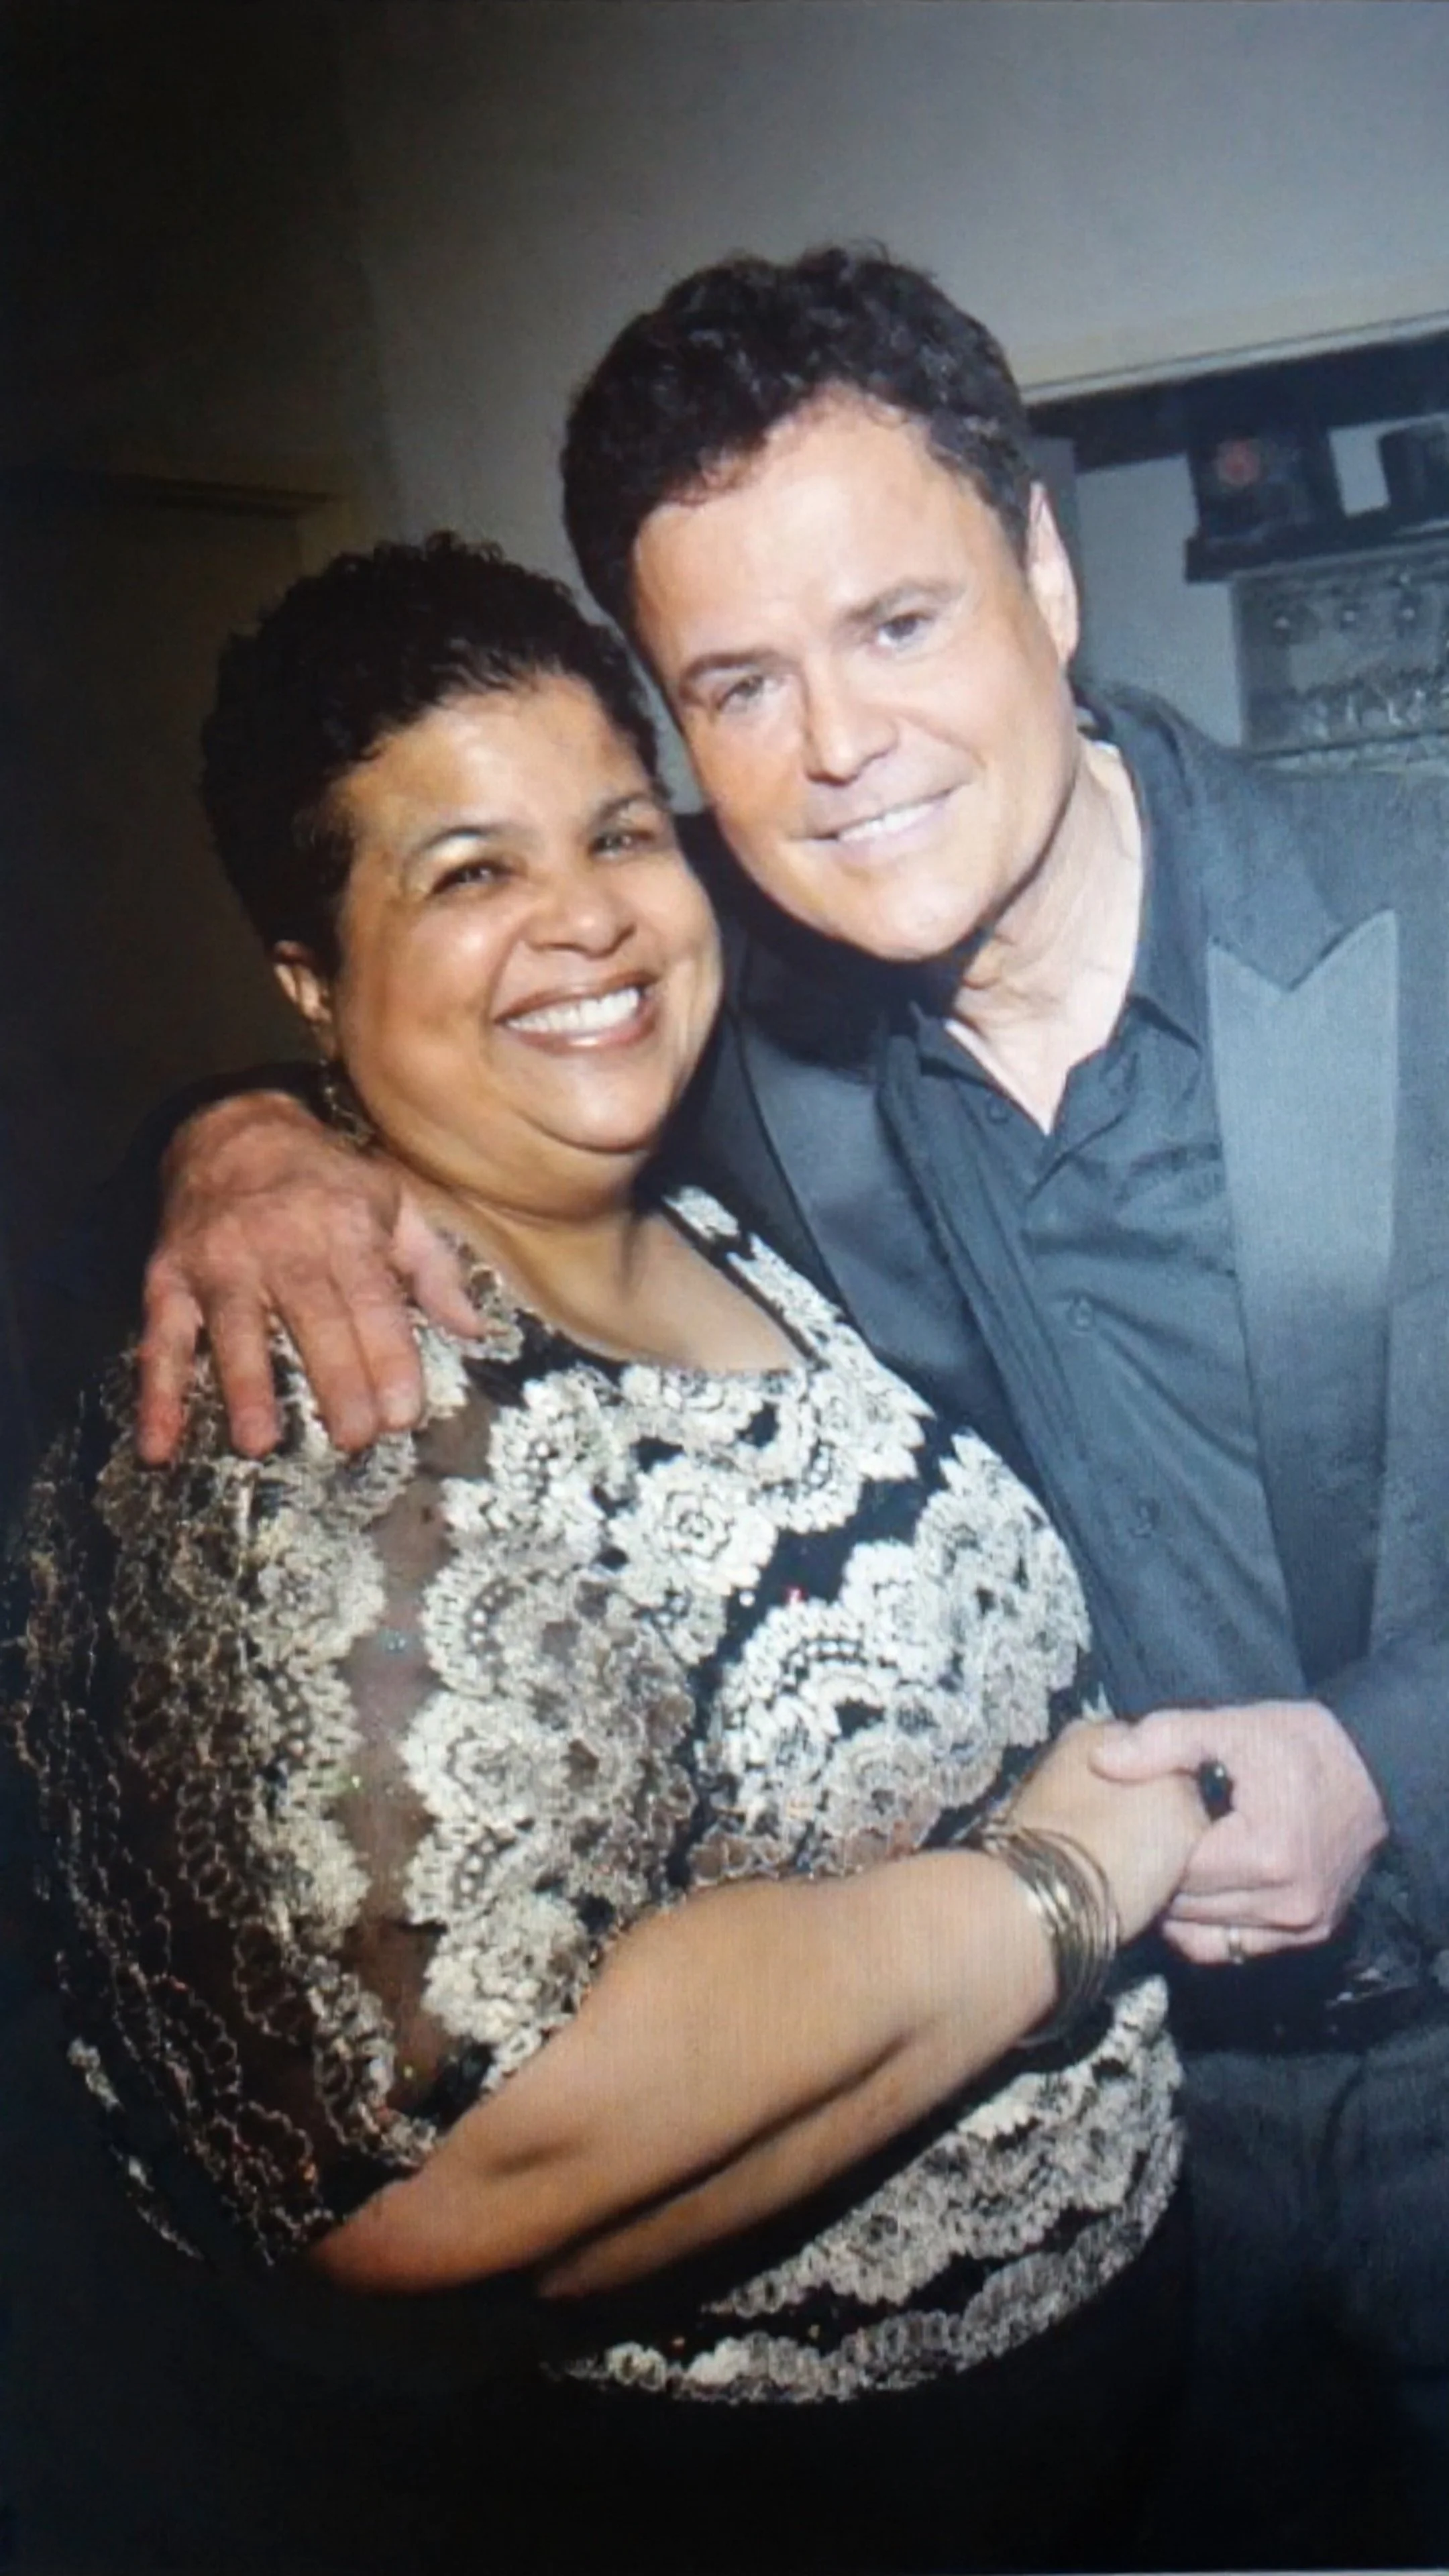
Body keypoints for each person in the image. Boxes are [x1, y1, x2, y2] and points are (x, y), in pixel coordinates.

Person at [134, 250, 1449, 2569]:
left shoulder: (1420, 916)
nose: (838, 747)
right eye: (739, 684)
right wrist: (238, 1143)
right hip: (1132, 2182)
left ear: (1043, 570)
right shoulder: (719, 1048)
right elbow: (432, 1001)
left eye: (899, 624)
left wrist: (1386, 1762)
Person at [4, 533, 1207, 2576]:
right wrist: (1060, 1889)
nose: (586, 917)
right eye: (468, 872)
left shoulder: (710, 1205)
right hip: (766, 2508)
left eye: (621, 834)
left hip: (1105, 2421)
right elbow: (432, 2169)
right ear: (309, 977)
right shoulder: (319, 1394)